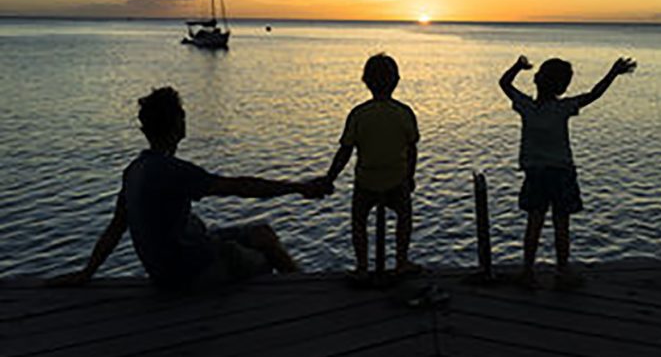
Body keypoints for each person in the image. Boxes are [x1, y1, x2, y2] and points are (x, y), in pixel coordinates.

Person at [50, 86, 329, 291]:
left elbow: (116, 226)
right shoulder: (172, 171)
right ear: (177, 123)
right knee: (266, 250)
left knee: (262, 232)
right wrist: (298, 188)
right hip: (193, 271)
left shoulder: (134, 170)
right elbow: (240, 187)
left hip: (168, 269)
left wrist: (87, 273)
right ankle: (306, 298)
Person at [500, 54, 636, 288]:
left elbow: (504, 84)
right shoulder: (563, 108)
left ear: (536, 80)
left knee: (534, 222)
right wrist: (613, 73)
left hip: (535, 173)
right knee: (562, 224)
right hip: (562, 173)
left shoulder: (526, 106)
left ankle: (528, 271)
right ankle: (562, 272)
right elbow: (594, 94)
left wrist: (517, 66)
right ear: (563, 87)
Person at [321, 53, 420, 280]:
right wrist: (410, 176)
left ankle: (362, 266)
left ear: (365, 81)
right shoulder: (405, 113)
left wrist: (330, 178)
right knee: (404, 218)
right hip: (397, 180)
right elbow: (412, 149)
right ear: (396, 81)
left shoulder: (359, 114)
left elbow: (345, 151)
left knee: (359, 222)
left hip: (366, 181)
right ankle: (401, 261)